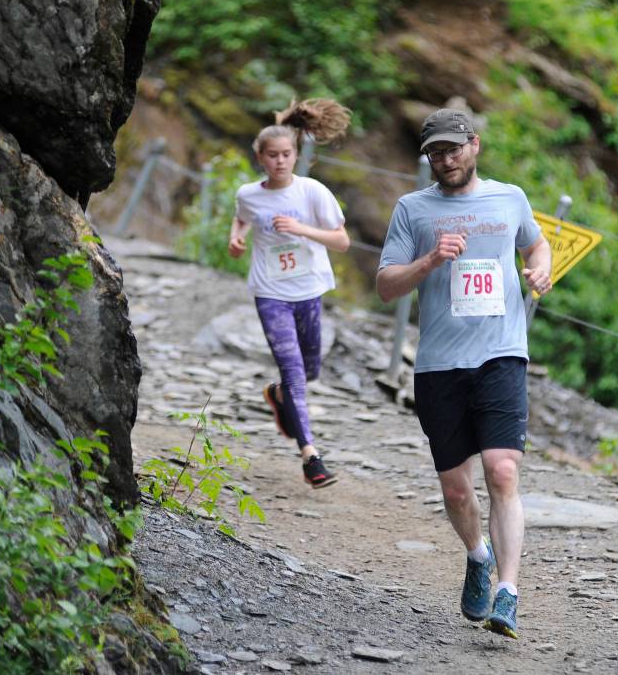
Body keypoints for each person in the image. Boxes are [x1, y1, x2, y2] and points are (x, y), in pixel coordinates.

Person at [376, 108, 552, 639]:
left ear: (474, 145)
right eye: (435, 152)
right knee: (456, 490)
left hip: (501, 353)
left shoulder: (509, 197)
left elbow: (536, 242)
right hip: (439, 364)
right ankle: (478, 556)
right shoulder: (412, 210)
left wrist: (541, 266)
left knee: (502, 471)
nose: (445, 159)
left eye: (453, 148)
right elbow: (386, 285)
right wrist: (429, 262)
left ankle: (508, 592)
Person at [227, 99, 352, 489]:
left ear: (296, 155)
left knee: (310, 368)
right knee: (294, 371)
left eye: (286, 154)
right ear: (260, 157)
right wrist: (238, 236)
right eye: (272, 155)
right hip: (270, 292)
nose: (280, 161)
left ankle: (279, 396)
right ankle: (311, 456)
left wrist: (302, 230)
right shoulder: (249, 193)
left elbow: (342, 241)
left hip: (309, 289)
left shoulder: (312, 192)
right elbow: (244, 215)